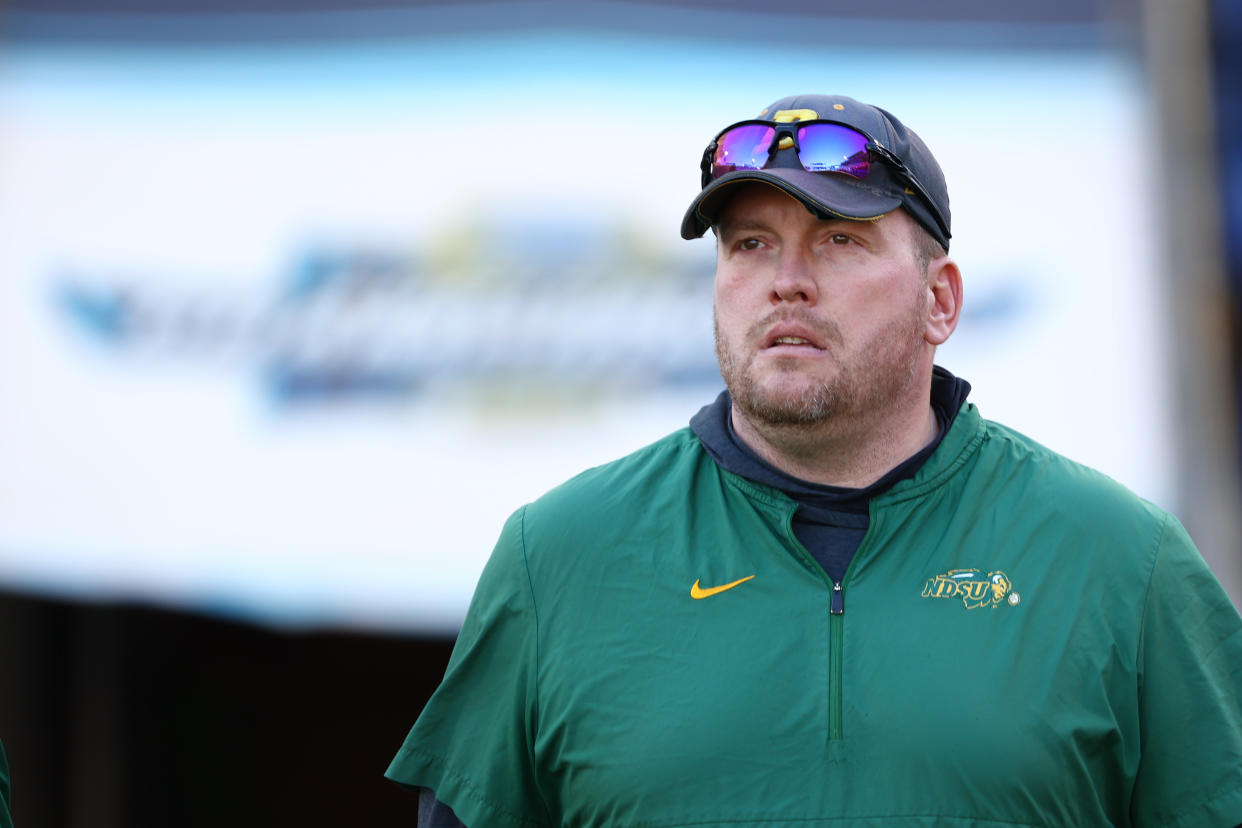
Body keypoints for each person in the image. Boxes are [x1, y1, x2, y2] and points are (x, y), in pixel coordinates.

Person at [386, 93, 1242, 827]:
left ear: (939, 299)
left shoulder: (1124, 561)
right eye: (749, 244)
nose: (785, 280)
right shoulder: (557, 556)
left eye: (839, 240)